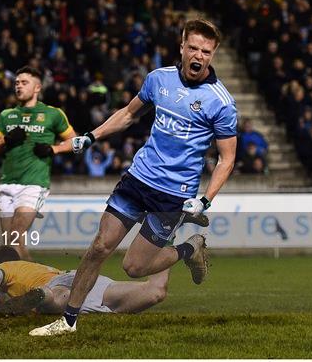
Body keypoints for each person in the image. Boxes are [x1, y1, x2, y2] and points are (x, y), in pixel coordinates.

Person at [30, 19, 237, 336]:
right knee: (99, 247)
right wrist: (91, 136)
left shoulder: (220, 102)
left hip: (172, 196)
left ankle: (189, 249)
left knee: (134, 267)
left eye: (206, 51)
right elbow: (128, 114)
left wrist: (206, 199)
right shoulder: (158, 79)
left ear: (213, 54)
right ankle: (69, 320)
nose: (198, 56)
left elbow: (227, 158)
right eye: (193, 47)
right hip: (138, 179)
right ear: (181, 47)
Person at [0, 66, 77, 260]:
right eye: (16, 83)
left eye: (24, 82)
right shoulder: (6, 115)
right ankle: (34, 284)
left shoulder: (53, 114)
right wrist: (5, 141)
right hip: (7, 183)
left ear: (37, 88)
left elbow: (74, 141)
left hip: (34, 184)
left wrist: (54, 149)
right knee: (12, 244)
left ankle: (32, 284)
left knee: (14, 237)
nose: (18, 86)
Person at [0, 246, 169, 315]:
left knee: (56, 297)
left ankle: (44, 297)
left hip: (59, 287)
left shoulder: (6, 268)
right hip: (87, 280)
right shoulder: (34, 267)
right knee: (154, 292)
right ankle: (165, 237)